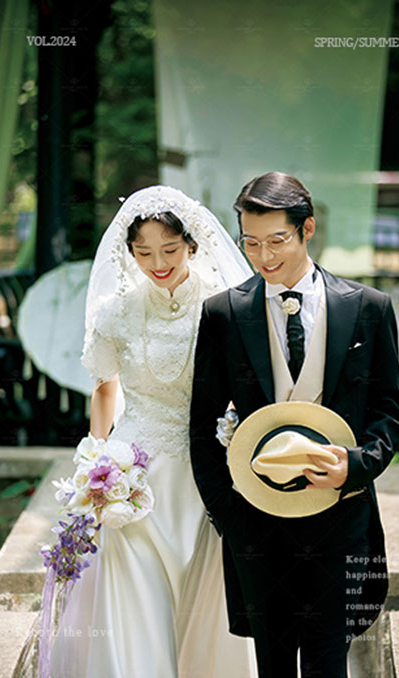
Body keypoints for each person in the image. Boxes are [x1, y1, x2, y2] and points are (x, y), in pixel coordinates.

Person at [190, 172, 399, 678]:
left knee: (329, 663)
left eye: (276, 241)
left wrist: (356, 467)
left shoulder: (368, 308)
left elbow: (391, 411)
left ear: (307, 229)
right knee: (272, 665)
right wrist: (230, 515)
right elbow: (201, 425)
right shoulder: (223, 314)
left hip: (342, 519)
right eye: (250, 243)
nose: (263, 257)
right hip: (256, 524)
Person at [48, 186, 257, 677]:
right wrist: (96, 459)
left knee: (203, 591)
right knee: (137, 591)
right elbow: (105, 389)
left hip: (204, 471)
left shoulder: (223, 307)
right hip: (133, 472)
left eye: (169, 249)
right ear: (130, 252)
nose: (157, 263)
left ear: (192, 244)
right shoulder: (117, 311)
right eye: (143, 253)